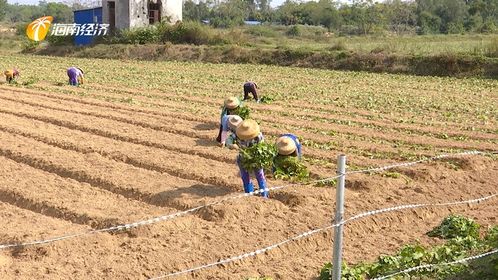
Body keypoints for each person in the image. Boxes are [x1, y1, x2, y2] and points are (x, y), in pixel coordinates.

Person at [236, 119, 268, 198]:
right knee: (245, 176)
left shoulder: (258, 136)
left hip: (256, 159)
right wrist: (231, 144)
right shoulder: (238, 135)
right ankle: (249, 194)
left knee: (260, 175)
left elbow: (262, 147)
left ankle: (264, 195)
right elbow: (229, 140)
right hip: (243, 159)